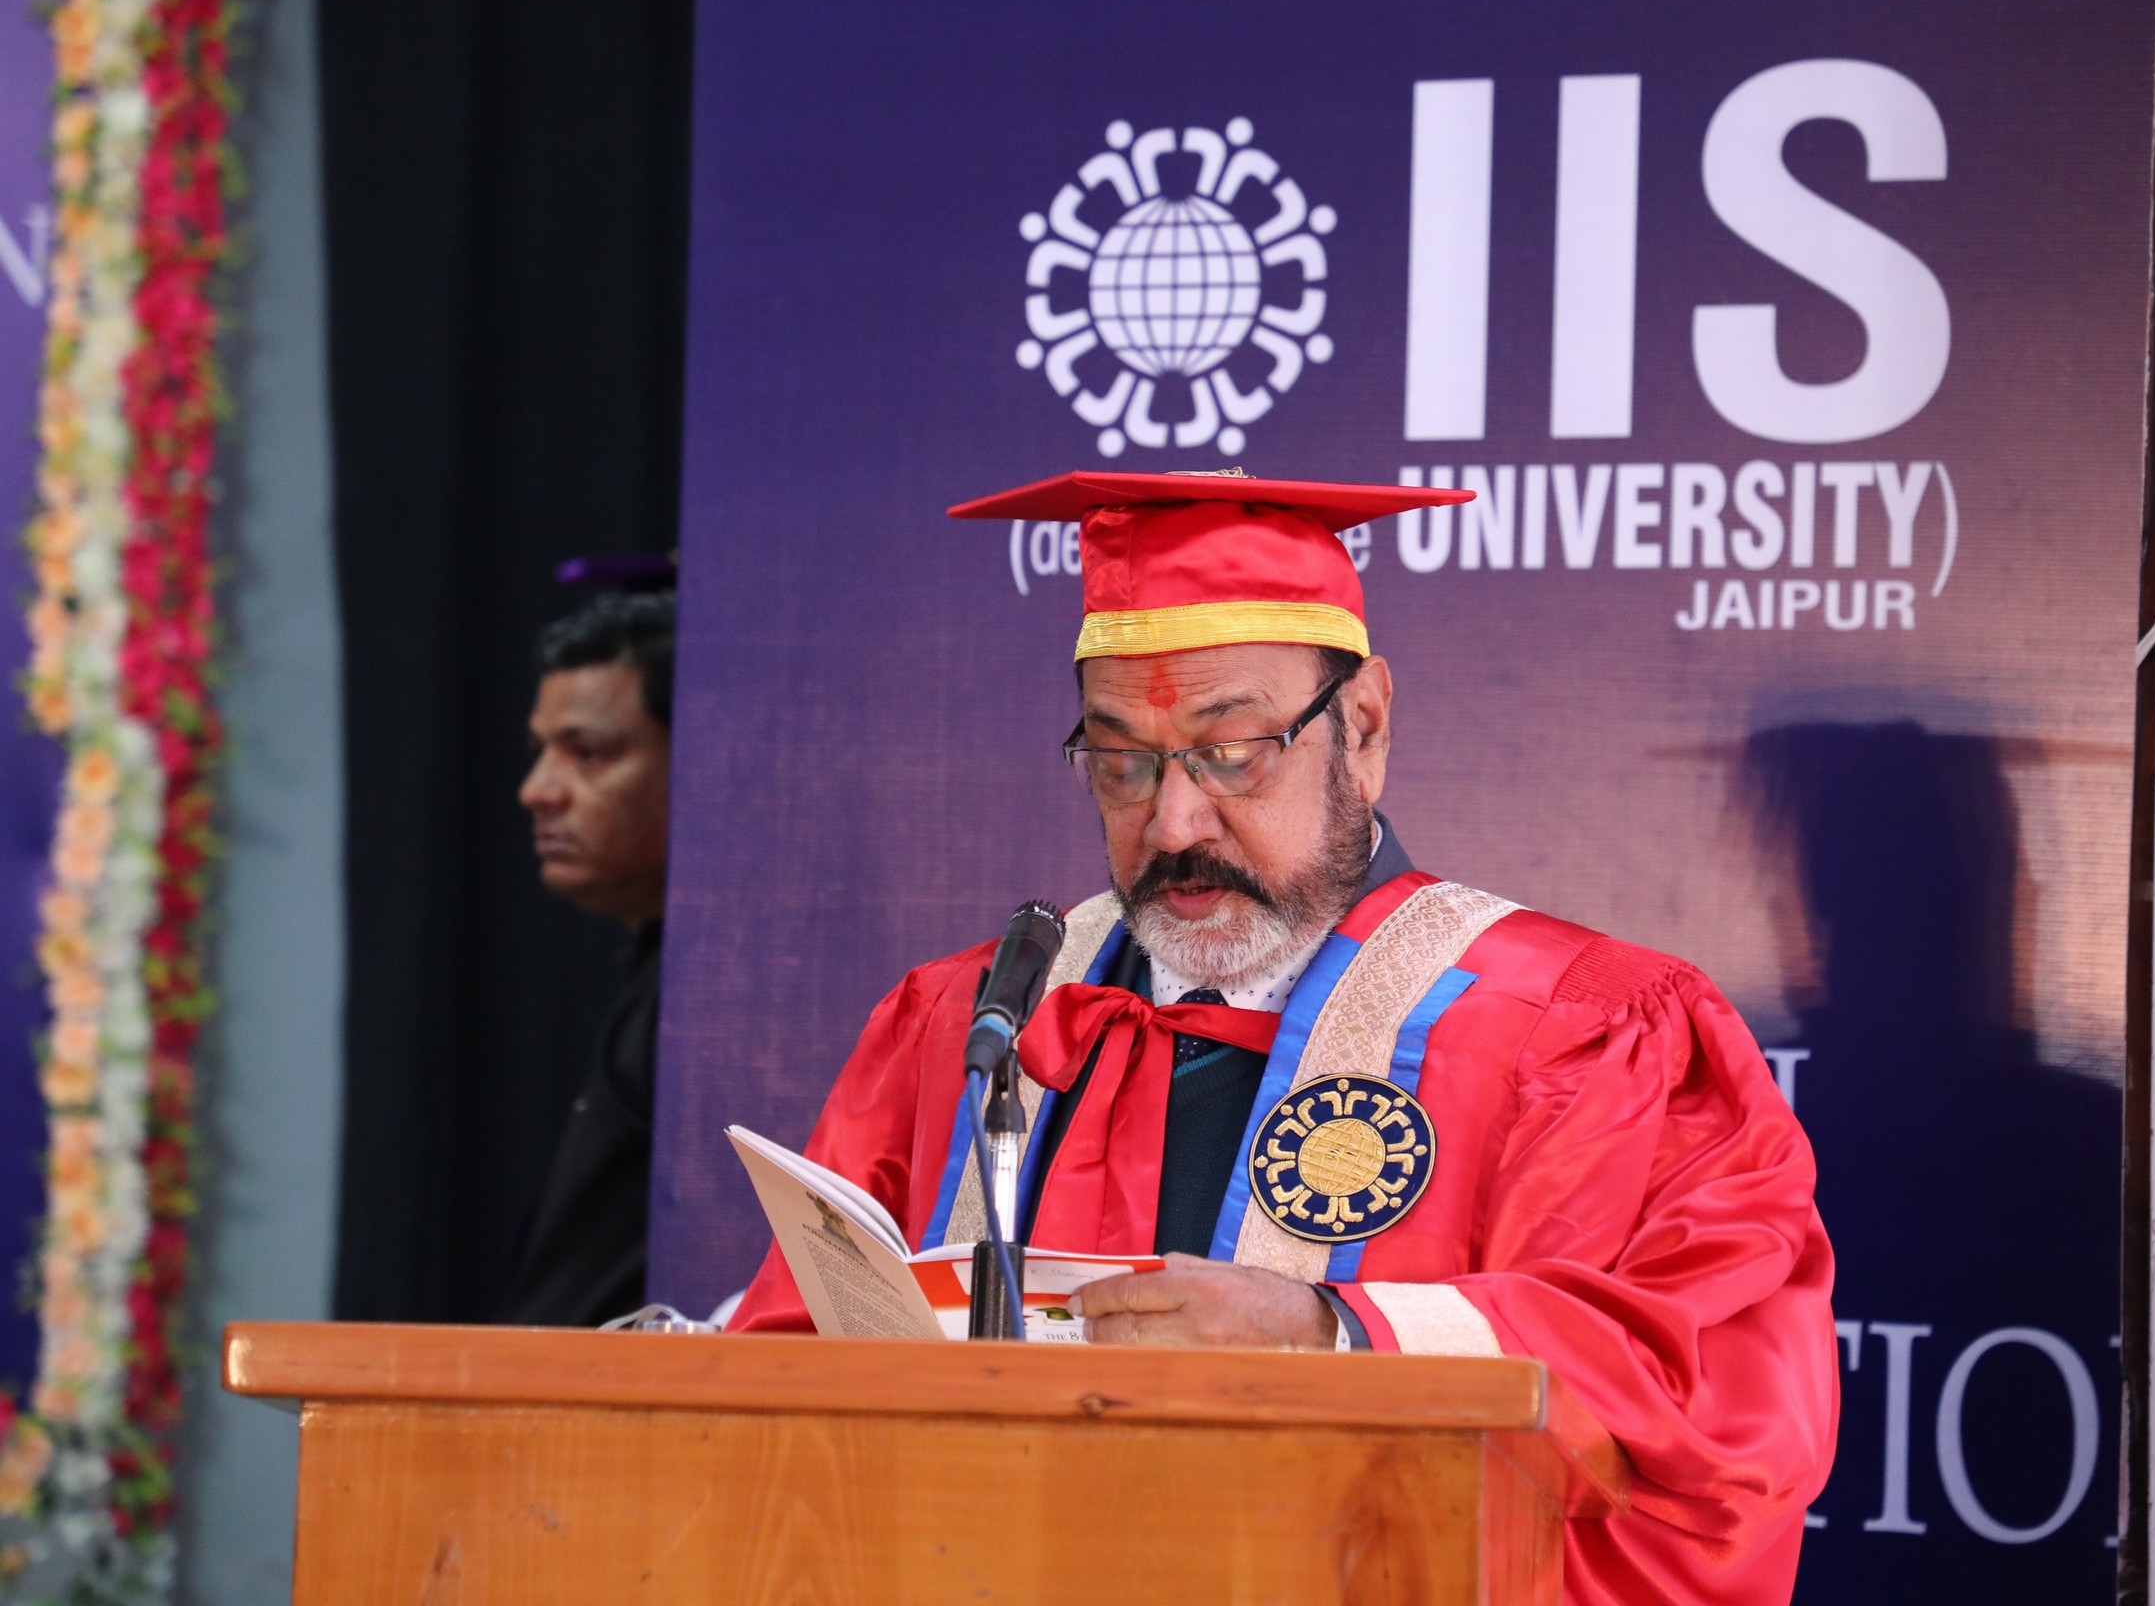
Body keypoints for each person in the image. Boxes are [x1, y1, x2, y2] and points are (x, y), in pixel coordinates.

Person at [725, 473, 1838, 1604]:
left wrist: (1330, 1336)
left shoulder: (1582, 1033)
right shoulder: (976, 1023)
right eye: (1122, 761)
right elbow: (777, 1392)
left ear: (1365, 728)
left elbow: (1716, 1400)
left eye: (1233, 751)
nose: (1174, 823)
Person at [498, 589, 675, 1327]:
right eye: (542, 751)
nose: (536, 791)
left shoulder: (713, 1011)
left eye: (590, 753)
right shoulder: (653, 976)